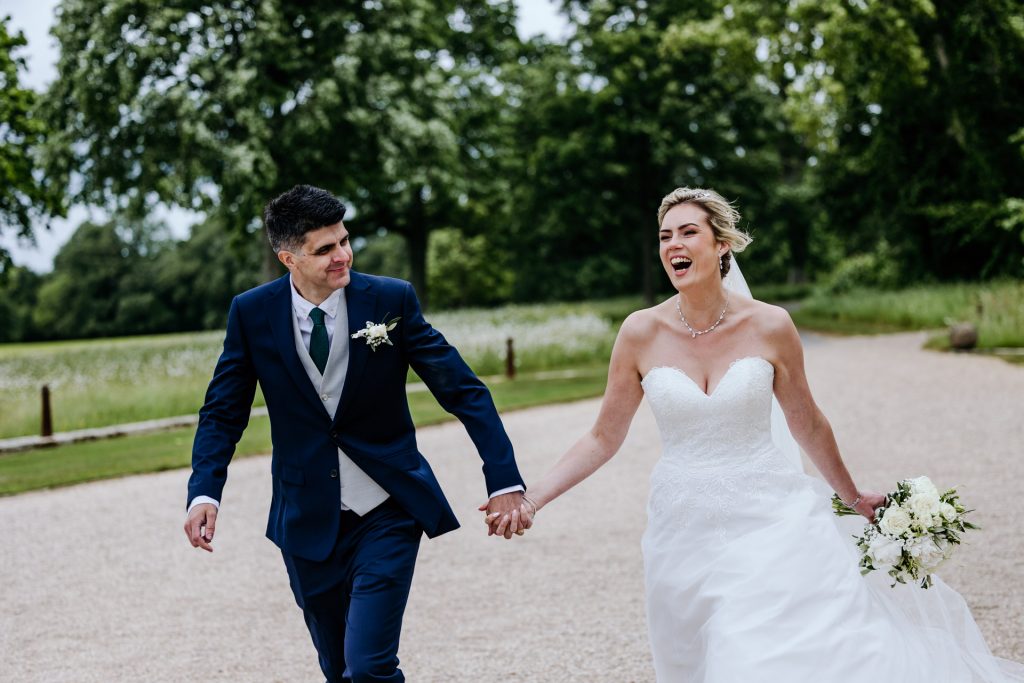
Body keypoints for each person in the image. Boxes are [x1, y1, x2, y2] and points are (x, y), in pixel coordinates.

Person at [492, 187, 1024, 681]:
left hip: (771, 515)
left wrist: (853, 496)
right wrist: (533, 497)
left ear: (721, 245)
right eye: (664, 236)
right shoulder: (639, 332)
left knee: (750, 648)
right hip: (681, 526)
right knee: (698, 659)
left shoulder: (771, 325)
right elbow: (602, 438)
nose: (673, 244)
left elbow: (807, 422)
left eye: (687, 232)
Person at [183, 184, 528, 683]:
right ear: (288, 258)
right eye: (324, 249)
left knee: (368, 667)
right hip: (304, 518)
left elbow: (464, 391)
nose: (342, 255)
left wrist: (504, 481)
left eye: (344, 240)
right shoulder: (252, 313)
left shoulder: (390, 300)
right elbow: (222, 413)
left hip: (386, 509)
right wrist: (204, 491)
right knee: (337, 667)